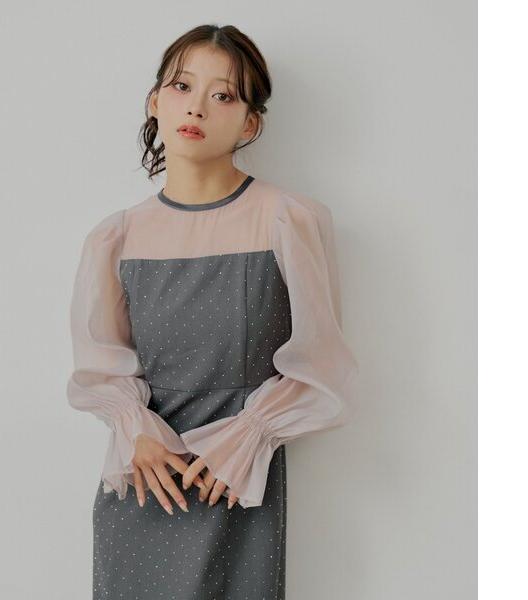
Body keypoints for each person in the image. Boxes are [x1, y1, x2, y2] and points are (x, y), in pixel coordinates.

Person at [66, 23, 359, 600]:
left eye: (222, 95)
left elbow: (323, 366)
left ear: (250, 124)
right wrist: (135, 432)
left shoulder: (287, 219)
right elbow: (100, 369)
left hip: (236, 483)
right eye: (181, 86)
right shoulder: (116, 237)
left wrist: (249, 436)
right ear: (155, 101)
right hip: (144, 481)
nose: (196, 106)